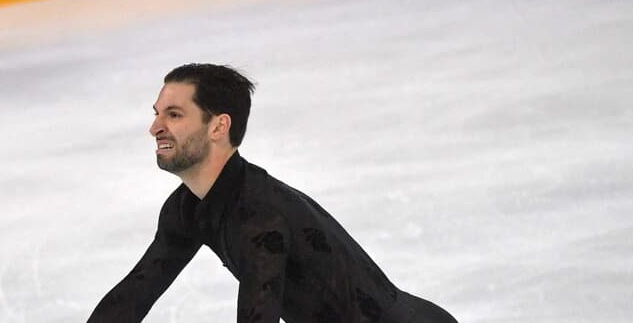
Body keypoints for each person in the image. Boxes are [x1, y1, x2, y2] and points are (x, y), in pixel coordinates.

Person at [88, 64, 455, 323]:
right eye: (157, 114)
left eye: (174, 115)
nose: (155, 127)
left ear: (218, 126)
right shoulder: (187, 209)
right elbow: (133, 296)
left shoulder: (260, 216)